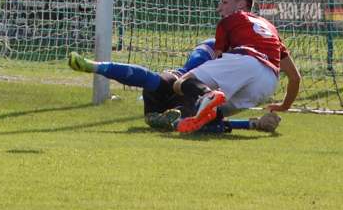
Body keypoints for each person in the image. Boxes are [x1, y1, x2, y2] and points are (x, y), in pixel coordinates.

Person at [68, 38, 282, 133]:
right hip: (182, 86)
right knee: (165, 85)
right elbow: (193, 64)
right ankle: (93, 66)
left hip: (188, 97)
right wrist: (253, 124)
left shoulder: (249, 60)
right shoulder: (217, 44)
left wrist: (256, 123)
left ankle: (162, 119)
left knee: (206, 117)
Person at [173, 0, 300, 133]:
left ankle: (207, 94)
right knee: (208, 115)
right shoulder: (270, 28)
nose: (219, 9)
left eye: (224, 2)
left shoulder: (230, 20)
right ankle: (255, 124)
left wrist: (201, 87)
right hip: (268, 82)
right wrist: (284, 106)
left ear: (241, 5)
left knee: (181, 82)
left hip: (246, 60)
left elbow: (218, 56)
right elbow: (295, 77)